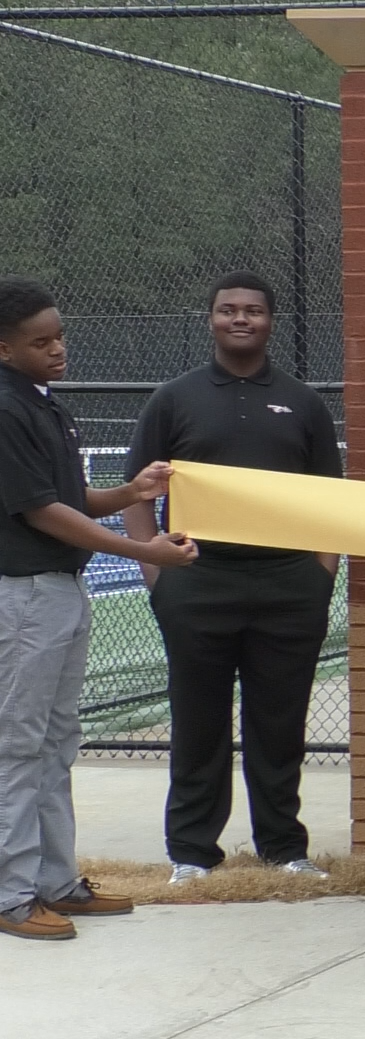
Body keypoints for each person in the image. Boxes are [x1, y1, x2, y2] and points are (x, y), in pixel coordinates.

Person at [121, 272, 344, 887]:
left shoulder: (303, 402)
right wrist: (154, 569)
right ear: (210, 320)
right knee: (199, 722)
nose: (239, 319)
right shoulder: (174, 398)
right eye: (227, 310)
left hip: (287, 588)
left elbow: (331, 501)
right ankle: (192, 853)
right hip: (197, 585)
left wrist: (318, 576)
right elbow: (140, 490)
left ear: (272, 321)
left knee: (279, 725)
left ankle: (283, 849)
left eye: (252, 311)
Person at [0, 279, 198, 941]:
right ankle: (10, 894)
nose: (58, 350)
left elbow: (72, 495)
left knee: (56, 744)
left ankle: (56, 882)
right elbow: (43, 512)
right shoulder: (4, 408)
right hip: (24, 597)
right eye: (41, 342)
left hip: (57, 594)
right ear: (3, 348)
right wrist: (142, 546)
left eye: (60, 336)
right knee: (18, 746)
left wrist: (129, 492)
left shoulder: (41, 404)